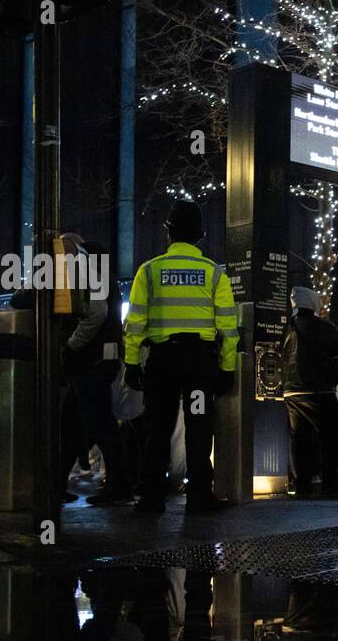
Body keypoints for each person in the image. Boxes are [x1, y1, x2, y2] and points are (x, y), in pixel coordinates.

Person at [123, 199, 238, 515]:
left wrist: (132, 363)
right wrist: (227, 368)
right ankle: (199, 497)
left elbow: (134, 324)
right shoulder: (214, 274)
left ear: (168, 232)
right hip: (199, 363)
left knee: (157, 430)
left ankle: (151, 498)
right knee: (199, 429)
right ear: (200, 235)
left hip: (162, 361)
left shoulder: (150, 271)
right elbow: (228, 327)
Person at [62, 237, 131, 506]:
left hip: (90, 362)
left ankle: (119, 486)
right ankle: (58, 483)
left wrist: (71, 345)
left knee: (98, 424)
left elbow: (95, 313)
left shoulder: (89, 270)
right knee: (74, 423)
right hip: (98, 361)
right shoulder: (103, 271)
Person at [282, 285, 338, 497]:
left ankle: (302, 484)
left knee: (299, 437)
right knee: (330, 435)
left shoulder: (289, 327)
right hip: (319, 389)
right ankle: (330, 481)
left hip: (292, 390)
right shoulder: (322, 326)